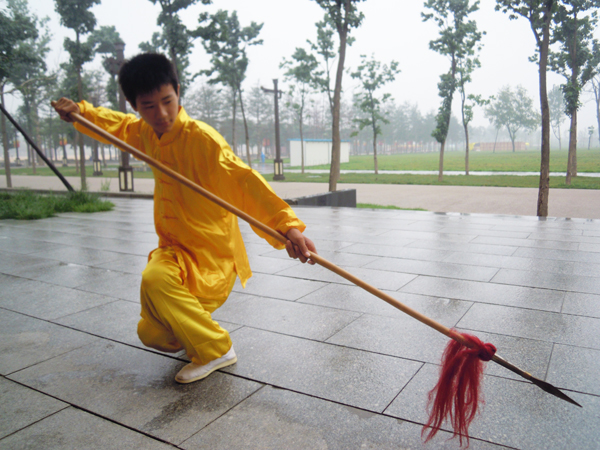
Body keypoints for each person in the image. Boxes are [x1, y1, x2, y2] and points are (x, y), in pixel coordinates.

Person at [53, 53, 317, 384]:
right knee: (152, 334)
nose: (161, 114)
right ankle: (196, 329)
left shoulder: (202, 139)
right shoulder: (144, 133)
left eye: (167, 101)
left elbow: (244, 182)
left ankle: (217, 349)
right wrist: (81, 113)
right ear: (136, 106)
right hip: (175, 250)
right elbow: (114, 125)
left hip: (211, 258)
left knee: (155, 280)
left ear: (178, 91)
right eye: (149, 106)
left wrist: (287, 228)